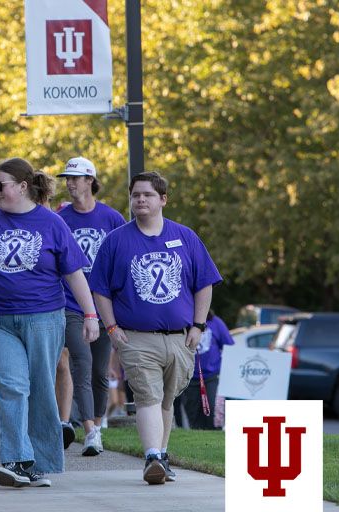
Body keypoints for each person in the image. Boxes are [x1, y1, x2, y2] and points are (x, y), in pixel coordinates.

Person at [0, 158, 99, 488]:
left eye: (0, 185)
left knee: (42, 390)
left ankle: (41, 465)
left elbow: (73, 272)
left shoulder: (52, 222)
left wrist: (90, 315)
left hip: (44, 318)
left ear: (22, 186)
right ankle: (18, 461)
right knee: (11, 387)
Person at [88, 171, 222, 485]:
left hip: (180, 338)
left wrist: (199, 326)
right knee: (148, 396)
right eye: (135, 195)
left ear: (162, 199)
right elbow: (100, 289)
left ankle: (161, 457)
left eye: (147, 195)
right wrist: (111, 328)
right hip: (135, 337)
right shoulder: (117, 240)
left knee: (165, 400)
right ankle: (152, 456)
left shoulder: (185, 237)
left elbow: (204, 284)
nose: (140, 200)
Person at [55, 156, 126, 456]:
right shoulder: (60, 218)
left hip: (103, 305)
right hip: (70, 303)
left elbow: (124, 260)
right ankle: (89, 429)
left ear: (90, 181)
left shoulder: (112, 219)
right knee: (80, 364)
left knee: (99, 372)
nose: (69, 183)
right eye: (66, 178)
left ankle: (96, 424)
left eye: (75, 178)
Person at [178, 310, 233, 430]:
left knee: (213, 410)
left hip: (212, 376)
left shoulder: (216, 323)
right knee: (193, 413)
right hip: (189, 376)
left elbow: (229, 346)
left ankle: (215, 435)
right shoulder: (183, 322)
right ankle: (198, 439)